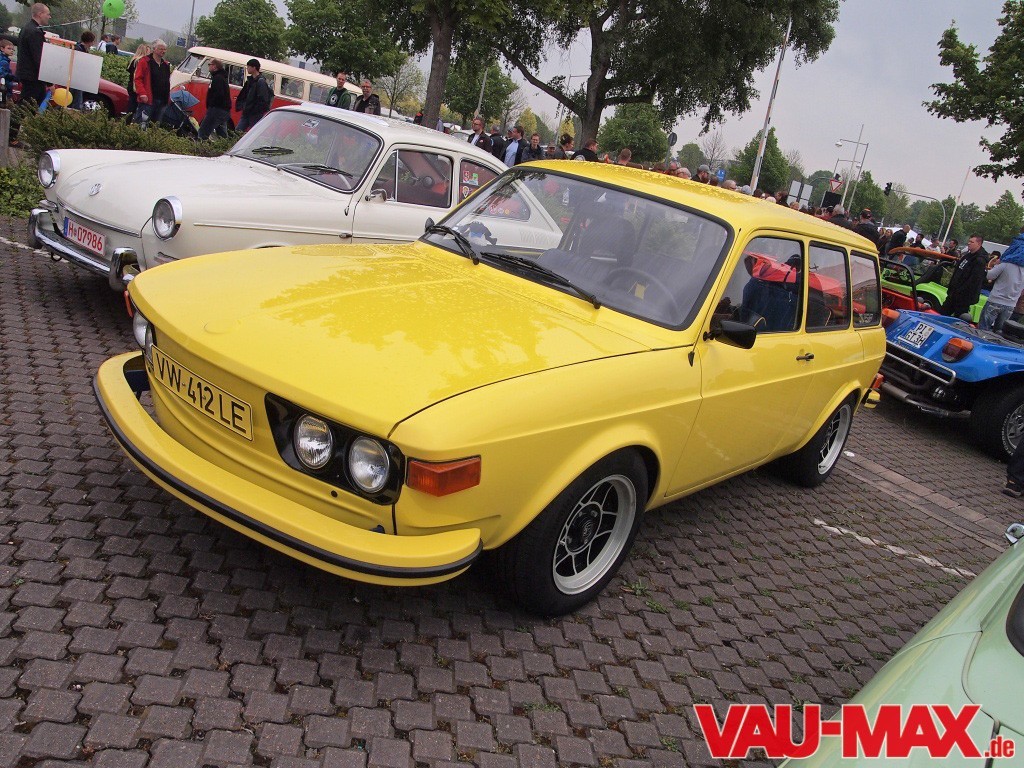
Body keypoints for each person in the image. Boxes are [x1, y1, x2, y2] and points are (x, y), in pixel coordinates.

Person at [980, 226, 1024, 332]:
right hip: (1011, 304)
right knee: (1000, 332)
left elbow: (989, 276)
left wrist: (993, 266)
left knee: (983, 329)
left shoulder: (1006, 264)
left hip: (995, 300)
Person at [942, 234, 988, 318]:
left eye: (972, 242)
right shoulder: (968, 256)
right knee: (943, 313)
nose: (969, 243)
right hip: (954, 294)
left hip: (963, 297)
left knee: (959, 317)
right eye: (969, 241)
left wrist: (959, 292)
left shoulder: (979, 260)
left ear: (979, 244)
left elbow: (974, 281)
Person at [17, 3, 50, 106]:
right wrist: (49, 82)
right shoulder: (34, 32)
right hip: (33, 76)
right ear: (40, 14)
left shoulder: (27, 28)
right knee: (28, 106)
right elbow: (39, 58)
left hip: (28, 75)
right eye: (47, 14)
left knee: (30, 104)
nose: (49, 17)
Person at [133, 40, 171, 129]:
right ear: (154, 49)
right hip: (148, 100)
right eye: (161, 49)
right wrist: (142, 93)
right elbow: (138, 79)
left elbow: (167, 81)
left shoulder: (166, 65)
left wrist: (168, 98)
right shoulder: (145, 61)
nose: (163, 51)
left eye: (165, 49)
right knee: (142, 124)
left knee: (155, 126)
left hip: (162, 100)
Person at [197, 58, 231, 139]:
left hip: (216, 109)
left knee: (203, 131)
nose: (208, 66)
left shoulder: (218, 78)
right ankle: (225, 145)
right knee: (222, 135)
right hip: (224, 110)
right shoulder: (222, 77)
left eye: (209, 64)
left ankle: (200, 145)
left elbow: (218, 94)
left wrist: (211, 106)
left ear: (215, 66)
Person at [235, 58, 272, 132]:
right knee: (238, 131)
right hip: (247, 112)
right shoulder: (250, 81)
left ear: (254, 67)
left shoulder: (260, 82)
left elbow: (262, 99)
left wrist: (254, 109)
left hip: (254, 114)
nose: (247, 68)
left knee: (252, 132)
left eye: (248, 66)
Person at [70, 30, 95, 110]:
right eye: (92, 41)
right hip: (76, 81)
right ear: (90, 42)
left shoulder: (77, 47)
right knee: (76, 103)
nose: (93, 44)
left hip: (75, 80)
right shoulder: (80, 50)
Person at [124, 43, 150, 123]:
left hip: (131, 85)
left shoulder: (133, 60)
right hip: (136, 87)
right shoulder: (141, 61)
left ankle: (127, 121)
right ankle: (131, 122)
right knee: (135, 107)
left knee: (131, 105)